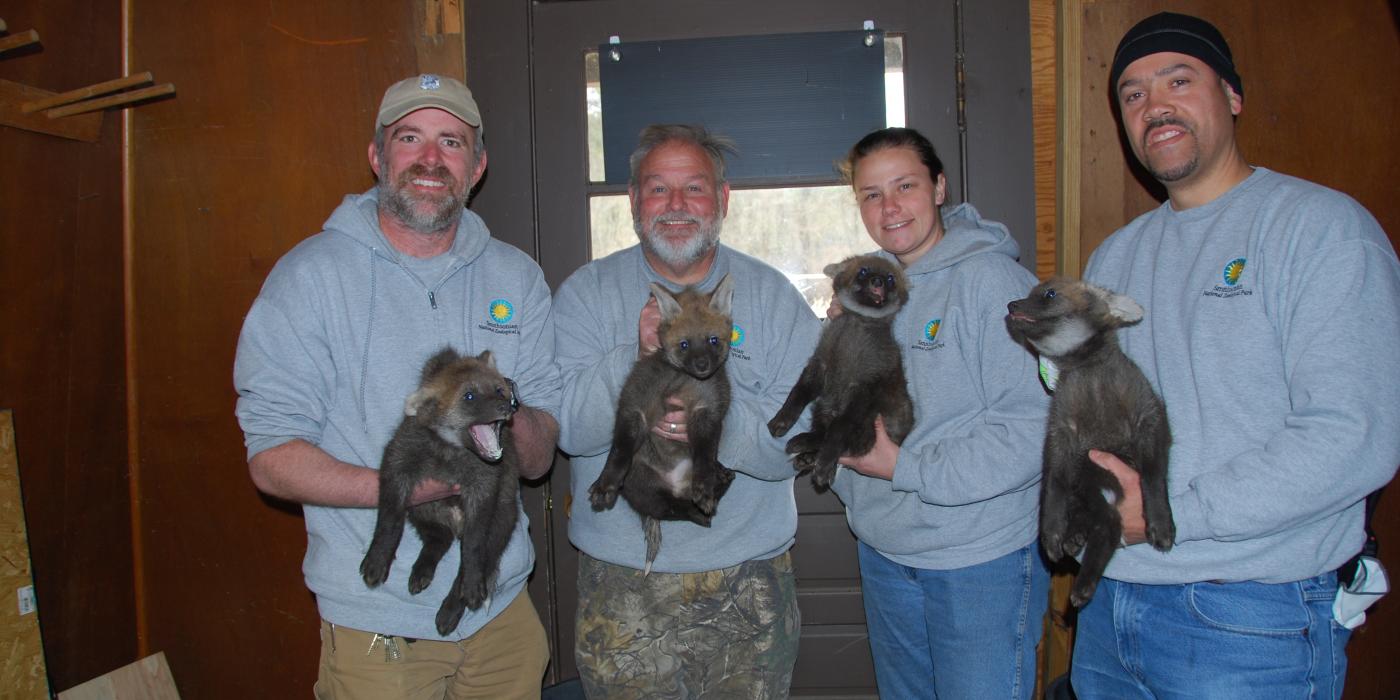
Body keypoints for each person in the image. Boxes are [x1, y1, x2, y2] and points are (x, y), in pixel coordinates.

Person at [1072, 12, 1400, 698]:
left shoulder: (1320, 230)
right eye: (1132, 95)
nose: (1154, 105)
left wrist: (1166, 517)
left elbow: (1354, 437)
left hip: (1249, 616)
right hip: (1110, 602)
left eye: (1178, 80)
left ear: (1233, 96)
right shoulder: (1115, 256)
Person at [234, 74, 562, 699]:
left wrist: (507, 413)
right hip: (378, 626)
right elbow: (272, 460)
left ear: (478, 165)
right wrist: (408, 489)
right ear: (377, 156)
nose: (431, 159)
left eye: (453, 141)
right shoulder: (309, 278)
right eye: (409, 138)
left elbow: (542, 453)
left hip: (502, 615)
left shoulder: (516, 277)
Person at [552, 124, 821, 698]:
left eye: (694, 189)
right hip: (621, 580)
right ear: (633, 200)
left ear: (722, 200)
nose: (675, 206)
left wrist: (709, 423)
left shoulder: (772, 298)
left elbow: (795, 447)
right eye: (657, 189)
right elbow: (570, 432)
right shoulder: (586, 294)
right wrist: (639, 354)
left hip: (747, 579)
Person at [829, 127, 1051, 699]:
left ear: (940, 186)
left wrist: (906, 468)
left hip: (978, 558)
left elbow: (1033, 429)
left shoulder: (993, 282)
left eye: (905, 185)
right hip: (885, 550)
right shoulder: (865, 288)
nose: (890, 207)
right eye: (872, 195)